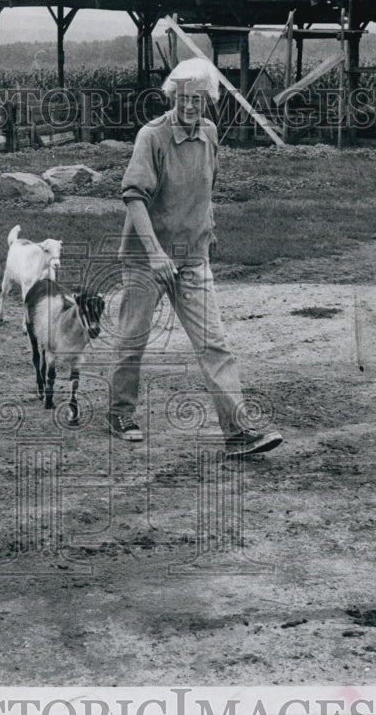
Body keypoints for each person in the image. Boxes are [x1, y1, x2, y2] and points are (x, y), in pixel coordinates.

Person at [106, 58, 283, 457]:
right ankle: (119, 412)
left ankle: (239, 432)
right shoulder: (151, 137)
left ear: (208, 100)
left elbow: (206, 188)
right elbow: (133, 196)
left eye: (198, 99)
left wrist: (209, 227)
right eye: (183, 98)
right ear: (172, 96)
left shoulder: (209, 133)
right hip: (145, 257)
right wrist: (153, 256)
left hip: (191, 257)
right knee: (134, 337)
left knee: (214, 343)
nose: (190, 106)